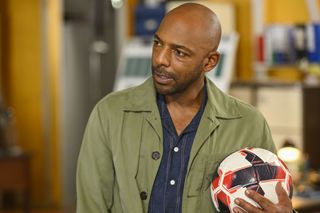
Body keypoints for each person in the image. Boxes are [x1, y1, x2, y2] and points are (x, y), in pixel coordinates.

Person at [77, 3, 293, 213]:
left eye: (179, 53)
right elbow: (91, 205)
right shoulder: (110, 113)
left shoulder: (248, 123)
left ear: (209, 62)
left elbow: (273, 198)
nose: (160, 59)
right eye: (158, 43)